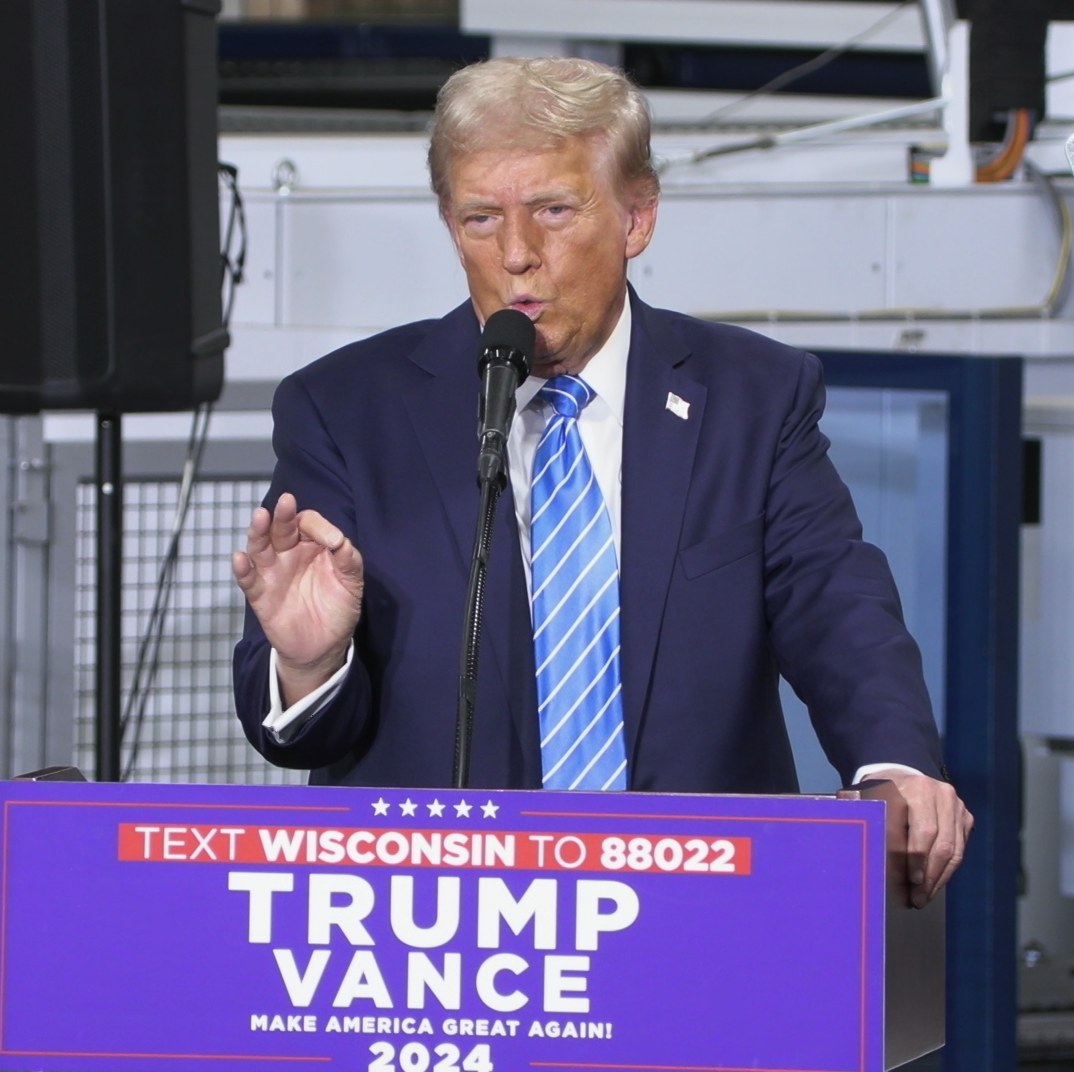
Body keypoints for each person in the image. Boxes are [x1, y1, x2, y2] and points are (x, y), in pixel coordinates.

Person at [232, 57, 972, 905]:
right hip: (436, 936)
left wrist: (894, 766)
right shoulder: (347, 409)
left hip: (698, 910)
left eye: (553, 210)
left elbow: (834, 602)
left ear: (638, 215)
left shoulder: (751, 398)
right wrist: (311, 661)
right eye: (481, 218)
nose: (517, 255)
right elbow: (289, 733)